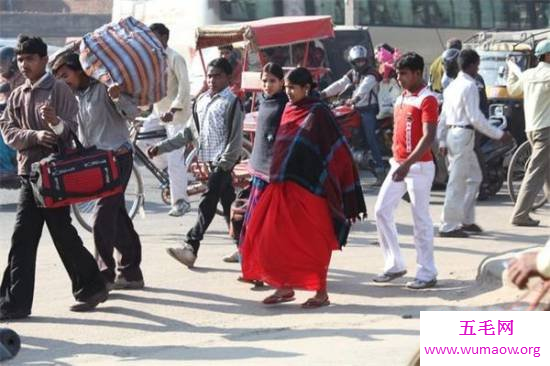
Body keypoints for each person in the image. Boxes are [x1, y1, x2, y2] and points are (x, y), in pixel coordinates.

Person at [240, 67, 367, 308]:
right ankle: (284, 287)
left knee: (312, 243)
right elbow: (282, 147)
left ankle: (321, 293)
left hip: (311, 188)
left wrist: (336, 182)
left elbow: (335, 149)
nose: (288, 92)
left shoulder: (319, 112)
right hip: (282, 185)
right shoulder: (288, 108)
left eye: (292, 88)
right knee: (271, 237)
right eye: (286, 87)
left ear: (306, 88)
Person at [0, 35, 107, 319]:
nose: (24, 65)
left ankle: (91, 287)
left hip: (55, 175)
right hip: (29, 175)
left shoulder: (59, 90)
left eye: (30, 59)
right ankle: (14, 303)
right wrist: (35, 135)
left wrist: (55, 124)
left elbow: (72, 131)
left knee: (62, 235)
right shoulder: (17, 94)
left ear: (44, 60)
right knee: (23, 238)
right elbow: (9, 133)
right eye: (20, 59)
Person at [52, 53, 144, 290]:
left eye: (65, 75)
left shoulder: (104, 87)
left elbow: (133, 113)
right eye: (59, 78)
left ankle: (103, 275)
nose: (63, 81)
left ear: (80, 71)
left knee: (102, 214)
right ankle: (131, 271)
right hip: (96, 164)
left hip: (119, 157)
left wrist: (117, 98)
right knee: (117, 215)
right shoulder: (74, 97)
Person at [148, 58, 243, 268]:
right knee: (228, 205)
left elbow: (235, 138)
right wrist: (162, 146)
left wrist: (225, 163)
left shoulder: (232, 102)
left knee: (207, 202)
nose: (212, 80)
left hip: (223, 163)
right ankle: (245, 247)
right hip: (207, 161)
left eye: (217, 75)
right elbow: (189, 133)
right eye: (210, 75)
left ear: (228, 78)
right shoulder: (201, 101)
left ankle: (191, 247)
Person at [372, 52, 439, 289]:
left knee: (420, 219)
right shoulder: (402, 97)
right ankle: (395, 264)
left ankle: (427, 272)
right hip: (398, 164)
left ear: (418, 73)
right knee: (381, 211)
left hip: (419, 167)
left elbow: (429, 137)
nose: (399, 78)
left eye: (403, 74)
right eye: (398, 73)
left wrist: (407, 164)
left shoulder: (427, 99)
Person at [437, 49, 512, 238]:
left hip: (456, 135)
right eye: (477, 65)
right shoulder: (470, 86)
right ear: (471, 65)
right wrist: (498, 134)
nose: (478, 68)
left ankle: (466, 220)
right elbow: (475, 117)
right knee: (457, 182)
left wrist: (441, 139)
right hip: (463, 135)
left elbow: (443, 116)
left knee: (475, 178)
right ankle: (448, 226)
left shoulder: (452, 86)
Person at [230, 63, 287, 266]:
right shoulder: (265, 101)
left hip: (274, 174)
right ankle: (249, 259)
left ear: (282, 82)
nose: (267, 85)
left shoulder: (284, 106)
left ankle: (259, 265)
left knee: (265, 222)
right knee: (246, 216)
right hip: (258, 172)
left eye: (272, 81)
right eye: (264, 81)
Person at [320, 45, 384, 184]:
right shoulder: (353, 73)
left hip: (368, 110)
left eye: (362, 61)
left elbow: (364, 89)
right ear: (352, 62)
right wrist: (323, 93)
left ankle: (380, 169)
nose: (360, 63)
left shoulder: (371, 74)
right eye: (357, 61)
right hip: (355, 109)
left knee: (370, 138)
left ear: (366, 60)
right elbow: (340, 83)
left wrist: (354, 99)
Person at [150, 23, 192, 217]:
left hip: (178, 117)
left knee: (175, 159)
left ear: (165, 37)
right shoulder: (152, 61)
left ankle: (180, 201)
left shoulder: (175, 58)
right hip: (158, 113)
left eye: (156, 37)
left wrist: (173, 110)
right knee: (140, 140)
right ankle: (171, 170)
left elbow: (184, 89)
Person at [507, 39, 550, 227]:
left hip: (532, 129)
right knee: (535, 172)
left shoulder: (528, 75)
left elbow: (512, 90)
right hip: (547, 130)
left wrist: (511, 72)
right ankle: (520, 214)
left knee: (546, 170)